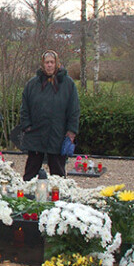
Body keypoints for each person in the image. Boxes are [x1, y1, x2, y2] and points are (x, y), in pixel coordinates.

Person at [19, 50, 79, 181]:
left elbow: (74, 109)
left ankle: (59, 199)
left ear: (57, 63)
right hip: (36, 133)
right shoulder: (32, 84)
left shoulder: (68, 84)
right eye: (47, 62)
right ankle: (27, 197)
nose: (49, 65)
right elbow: (24, 108)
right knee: (30, 172)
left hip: (58, 133)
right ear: (42, 64)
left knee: (58, 173)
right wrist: (27, 127)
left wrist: (71, 131)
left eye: (52, 62)